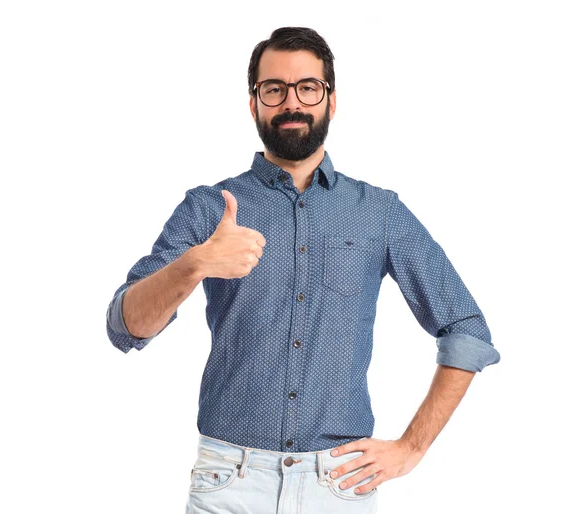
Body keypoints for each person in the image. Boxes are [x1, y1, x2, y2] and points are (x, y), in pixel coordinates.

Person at [106, 26, 500, 514]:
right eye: (274, 89)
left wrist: (411, 447)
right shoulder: (210, 208)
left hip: (339, 483)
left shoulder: (378, 211)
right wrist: (195, 263)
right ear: (254, 104)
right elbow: (125, 326)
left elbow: (466, 328)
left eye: (307, 87)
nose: (291, 102)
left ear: (331, 101)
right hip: (230, 481)